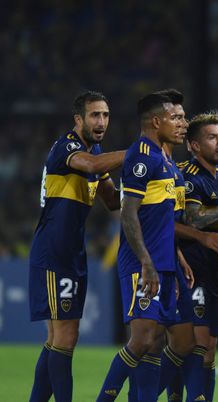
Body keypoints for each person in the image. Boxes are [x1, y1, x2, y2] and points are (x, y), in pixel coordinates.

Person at [96, 90, 200, 401]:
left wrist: (177, 255)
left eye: (183, 117)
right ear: (156, 121)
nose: (184, 123)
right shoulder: (141, 156)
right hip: (144, 264)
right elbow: (128, 213)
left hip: (167, 261)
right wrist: (146, 261)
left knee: (181, 341)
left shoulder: (165, 159)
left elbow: (162, 219)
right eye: (176, 118)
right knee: (142, 339)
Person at [28, 91, 125, 402]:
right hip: (54, 251)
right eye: (95, 115)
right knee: (66, 338)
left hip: (72, 253)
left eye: (106, 115)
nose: (101, 121)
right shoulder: (67, 147)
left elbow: (112, 201)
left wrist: (144, 187)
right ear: (78, 119)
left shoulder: (94, 150)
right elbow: (93, 164)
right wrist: (141, 152)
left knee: (59, 338)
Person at [179, 111, 218, 401]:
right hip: (191, 268)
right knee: (194, 346)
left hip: (217, 271)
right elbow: (193, 218)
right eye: (211, 137)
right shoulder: (187, 175)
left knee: (210, 349)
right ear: (193, 145)